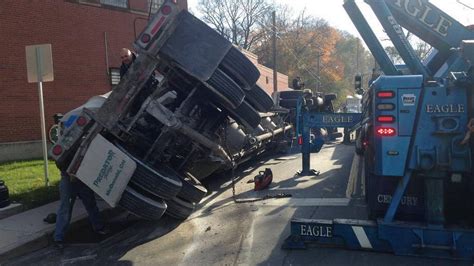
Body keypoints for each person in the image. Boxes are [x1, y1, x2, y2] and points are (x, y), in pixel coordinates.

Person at [53, 171, 108, 249]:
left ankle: (99, 226)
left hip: (82, 178)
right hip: (68, 179)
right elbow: (59, 162)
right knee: (65, 208)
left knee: (90, 204)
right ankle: (58, 237)